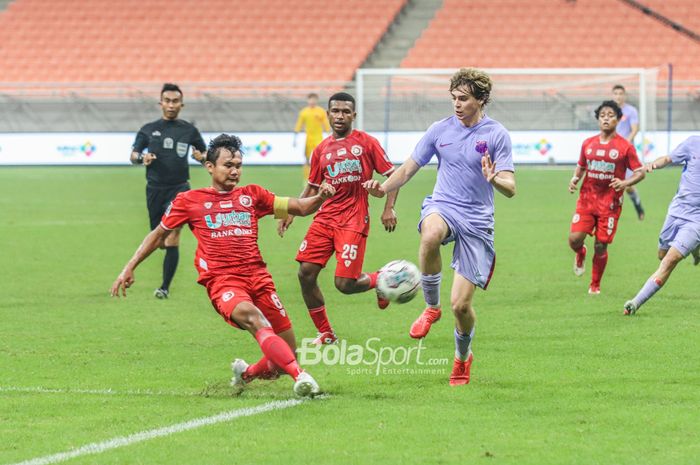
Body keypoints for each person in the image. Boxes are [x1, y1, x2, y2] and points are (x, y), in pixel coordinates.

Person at [112, 134, 336, 397]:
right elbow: (158, 233)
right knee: (255, 319)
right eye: (228, 165)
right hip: (224, 282)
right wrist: (130, 266)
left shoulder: (253, 195)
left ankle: (246, 374)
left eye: (238, 165)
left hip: (259, 279)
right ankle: (302, 376)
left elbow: (300, 207)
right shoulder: (189, 200)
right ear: (210, 167)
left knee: (281, 361)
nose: (234, 171)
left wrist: (320, 196)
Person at [363, 68, 516, 386]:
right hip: (443, 205)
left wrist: (495, 178)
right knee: (430, 233)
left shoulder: (496, 135)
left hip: (477, 220)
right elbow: (408, 168)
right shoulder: (439, 130)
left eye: (463, 99)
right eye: (453, 99)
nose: (457, 105)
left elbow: (511, 187)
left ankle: (462, 357)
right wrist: (383, 190)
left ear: (481, 99)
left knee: (461, 306)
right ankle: (431, 308)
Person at [279, 92, 399, 345]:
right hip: (325, 219)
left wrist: (388, 209)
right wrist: (292, 210)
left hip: (353, 220)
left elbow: (392, 175)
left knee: (344, 284)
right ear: (328, 114)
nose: (340, 116)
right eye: (335, 111)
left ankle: (381, 278)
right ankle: (326, 333)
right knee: (305, 273)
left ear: (354, 115)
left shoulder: (366, 143)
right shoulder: (321, 150)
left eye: (346, 111)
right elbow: (312, 187)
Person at [130, 83, 207, 300]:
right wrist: (141, 158)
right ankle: (158, 263)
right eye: (167, 101)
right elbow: (133, 155)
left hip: (180, 188)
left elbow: (205, 155)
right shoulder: (148, 129)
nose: (171, 105)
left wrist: (202, 158)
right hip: (155, 189)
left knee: (173, 235)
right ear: (161, 103)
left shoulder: (189, 130)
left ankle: (164, 287)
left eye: (175, 101)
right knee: (159, 239)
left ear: (181, 104)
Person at [568, 100, 645, 294]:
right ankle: (580, 252)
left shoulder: (625, 147)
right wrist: (575, 179)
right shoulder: (588, 144)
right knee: (574, 239)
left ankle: (595, 285)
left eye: (610, 115)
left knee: (601, 245)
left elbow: (640, 172)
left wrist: (625, 183)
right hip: (586, 200)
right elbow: (582, 165)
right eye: (602, 115)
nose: (606, 119)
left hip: (610, 203)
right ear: (598, 119)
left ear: (618, 120)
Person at [623, 136, 700, 315]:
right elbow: (668, 158)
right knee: (662, 254)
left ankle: (635, 303)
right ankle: (697, 249)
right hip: (677, 210)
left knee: (669, 261)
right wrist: (653, 164)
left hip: (697, 219)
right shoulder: (693, 143)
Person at [612, 84, 645, 220]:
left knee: (627, 185)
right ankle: (609, 213)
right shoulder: (609, 110)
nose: (618, 96)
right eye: (616, 94)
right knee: (609, 183)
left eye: (620, 93)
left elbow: (635, 129)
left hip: (626, 152)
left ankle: (637, 204)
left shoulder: (631, 111)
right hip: (611, 152)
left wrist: (625, 143)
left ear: (624, 95)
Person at [294, 93, 331, 182]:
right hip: (308, 140)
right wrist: (295, 138)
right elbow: (299, 125)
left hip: (319, 139)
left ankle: (323, 178)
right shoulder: (304, 112)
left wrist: (330, 135)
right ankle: (306, 179)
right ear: (308, 100)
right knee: (307, 159)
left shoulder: (321, 111)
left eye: (314, 99)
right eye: (310, 99)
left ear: (316, 100)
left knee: (322, 159)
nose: (312, 101)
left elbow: (326, 124)